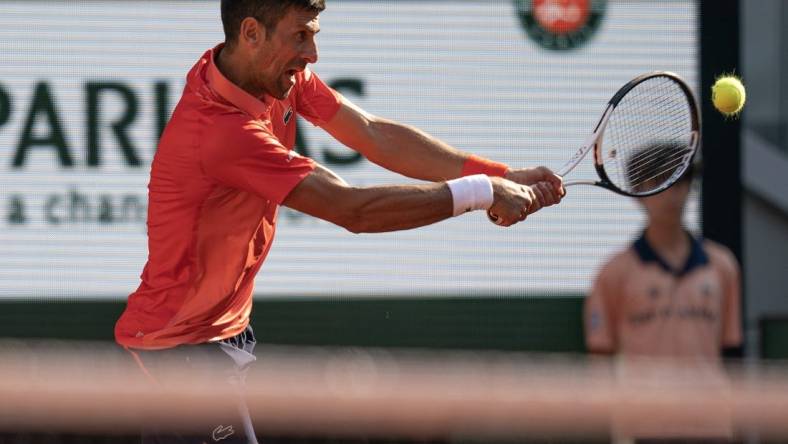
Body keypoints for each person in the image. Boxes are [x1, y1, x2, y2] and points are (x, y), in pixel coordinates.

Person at [114, 0, 565, 442]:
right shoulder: (219, 132)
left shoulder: (264, 75)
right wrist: (481, 193)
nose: (311, 54)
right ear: (251, 33)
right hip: (182, 347)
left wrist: (500, 175)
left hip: (218, 334)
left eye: (313, 36)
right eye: (300, 36)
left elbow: (373, 133)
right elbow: (353, 209)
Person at [584, 144, 742, 444]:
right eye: (658, 181)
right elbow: (600, 365)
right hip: (643, 428)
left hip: (711, 426)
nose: (671, 192)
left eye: (680, 179)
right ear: (636, 190)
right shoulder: (613, 275)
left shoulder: (724, 267)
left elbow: (732, 355)